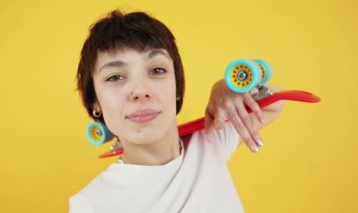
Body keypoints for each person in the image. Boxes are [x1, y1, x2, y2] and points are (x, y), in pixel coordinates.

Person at [69, 10, 284, 213]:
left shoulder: (209, 141)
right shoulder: (90, 205)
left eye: (157, 70)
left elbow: (276, 102)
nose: (140, 91)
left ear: (177, 88)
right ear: (95, 101)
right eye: (115, 77)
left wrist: (232, 88)